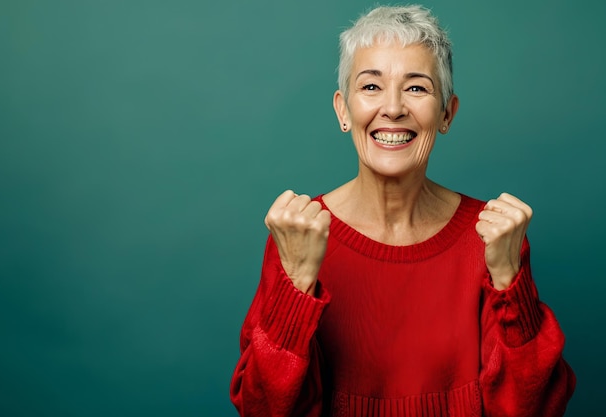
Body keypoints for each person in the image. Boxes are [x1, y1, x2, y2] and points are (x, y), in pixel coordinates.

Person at [230, 5, 575, 417]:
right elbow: (262, 409)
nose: (392, 108)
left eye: (416, 88)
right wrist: (297, 285)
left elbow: (536, 408)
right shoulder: (298, 234)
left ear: (447, 113)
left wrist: (510, 284)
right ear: (343, 110)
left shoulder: (492, 238)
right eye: (371, 87)